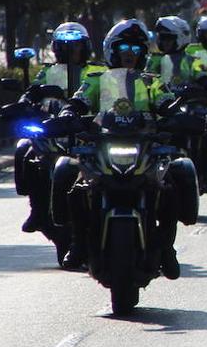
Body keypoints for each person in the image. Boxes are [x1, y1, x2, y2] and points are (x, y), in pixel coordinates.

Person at [65, 20, 180, 277]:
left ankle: (167, 248)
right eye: (124, 47)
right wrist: (68, 113)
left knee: (171, 186)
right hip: (103, 147)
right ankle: (78, 243)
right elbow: (79, 101)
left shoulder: (152, 82)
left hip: (144, 148)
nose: (130, 53)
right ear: (112, 50)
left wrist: (177, 115)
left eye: (137, 48)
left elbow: (167, 103)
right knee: (76, 188)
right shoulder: (96, 80)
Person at [17, 22, 104, 237]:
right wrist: (24, 102)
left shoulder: (98, 71)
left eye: (75, 46)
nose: (70, 51)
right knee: (27, 152)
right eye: (64, 46)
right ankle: (37, 211)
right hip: (53, 129)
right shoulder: (47, 72)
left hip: (87, 129)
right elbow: (32, 93)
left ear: (85, 47)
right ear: (56, 48)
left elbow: (115, 94)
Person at [148, 16, 207, 86]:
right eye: (162, 38)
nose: (164, 42)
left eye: (169, 38)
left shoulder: (191, 61)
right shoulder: (154, 60)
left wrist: (204, 82)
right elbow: (147, 79)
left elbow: (202, 75)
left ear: (182, 38)